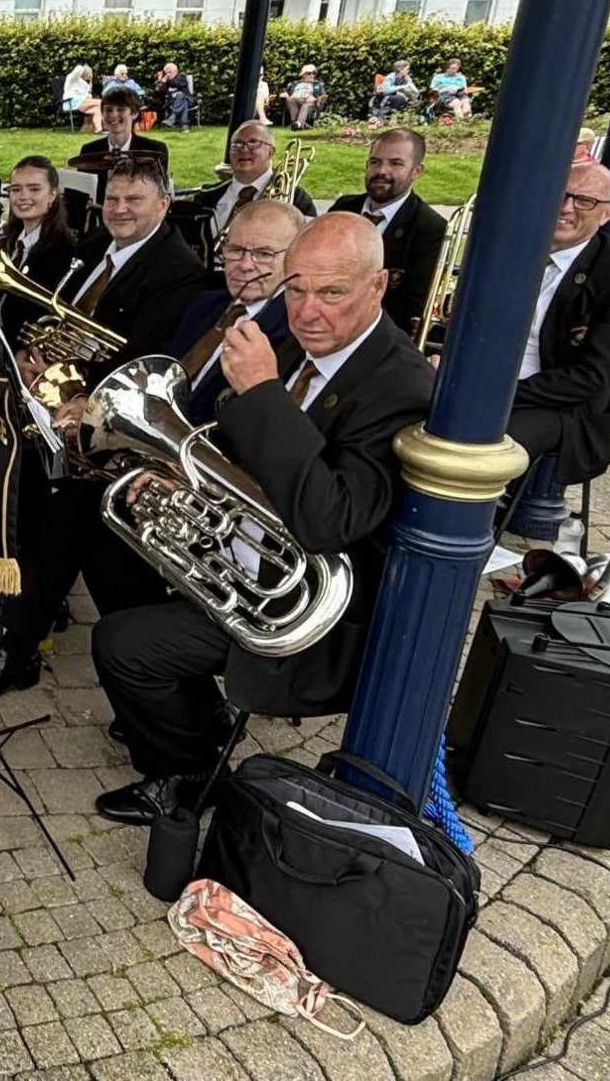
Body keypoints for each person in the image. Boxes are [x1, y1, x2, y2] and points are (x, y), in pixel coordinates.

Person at [88, 213, 434, 825]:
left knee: (123, 644)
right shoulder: (295, 339)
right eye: (296, 289)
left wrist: (262, 394)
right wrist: (174, 477)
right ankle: (192, 714)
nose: (307, 311)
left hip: (308, 606)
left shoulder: (398, 383)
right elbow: (235, 450)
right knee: (108, 546)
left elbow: (331, 519)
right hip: (243, 550)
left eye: (332, 293)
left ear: (377, 287)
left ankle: (189, 774)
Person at [0, 157, 208, 699]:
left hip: (108, 434)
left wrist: (79, 392)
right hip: (59, 413)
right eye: (113, 199)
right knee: (60, 537)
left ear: (163, 205)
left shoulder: (177, 272)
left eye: (134, 200)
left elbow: (143, 356)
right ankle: (33, 644)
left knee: (87, 552)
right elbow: (64, 322)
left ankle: (152, 687)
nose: (120, 210)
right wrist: (36, 356)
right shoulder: (93, 250)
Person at [506, 162, 610, 491]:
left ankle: (463, 532)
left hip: (561, 408)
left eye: (585, 201)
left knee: (478, 443)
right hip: (490, 387)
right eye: (562, 194)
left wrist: (501, 395)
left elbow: (593, 377)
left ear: (607, 214)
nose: (567, 207)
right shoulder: (515, 251)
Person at [166, 200, 302, 423]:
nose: (246, 265)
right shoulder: (204, 304)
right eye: (236, 250)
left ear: (294, 258)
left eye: (264, 254)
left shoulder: (295, 331)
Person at [327, 128, 448, 337]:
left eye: (396, 163)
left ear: (416, 171)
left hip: (378, 338)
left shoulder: (429, 227)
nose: (382, 171)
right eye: (375, 162)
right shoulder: (343, 208)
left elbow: (410, 307)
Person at [186, 120, 317, 261]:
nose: (244, 149)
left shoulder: (296, 199)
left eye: (253, 143)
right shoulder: (205, 198)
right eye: (237, 144)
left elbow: (308, 251)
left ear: (270, 151)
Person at [74, 86, 170, 206]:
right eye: (108, 110)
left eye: (120, 109)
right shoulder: (89, 150)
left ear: (134, 113)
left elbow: (158, 192)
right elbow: (82, 195)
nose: (113, 115)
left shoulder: (154, 150)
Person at [0, 155, 75, 289]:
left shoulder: (64, 252)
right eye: (15, 189)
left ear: (53, 194)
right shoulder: (5, 240)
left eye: (34, 189)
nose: (23, 196)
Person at [154, 62, 193, 132]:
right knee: (184, 103)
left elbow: (178, 84)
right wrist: (160, 82)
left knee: (180, 95)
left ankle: (173, 117)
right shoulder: (167, 81)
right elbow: (159, 92)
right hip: (172, 102)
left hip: (188, 99)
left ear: (175, 71)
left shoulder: (182, 77)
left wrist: (166, 80)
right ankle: (185, 126)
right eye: (166, 73)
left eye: (169, 72)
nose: (167, 74)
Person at [61, 65, 102, 132]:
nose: (88, 75)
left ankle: (98, 129)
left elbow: (89, 96)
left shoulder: (84, 84)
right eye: (88, 74)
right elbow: (78, 69)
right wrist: (85, 69)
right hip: (71, 102)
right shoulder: (72, 78)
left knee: (97, 109)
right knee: (100, 102)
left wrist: (90, 81)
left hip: (81, 104)